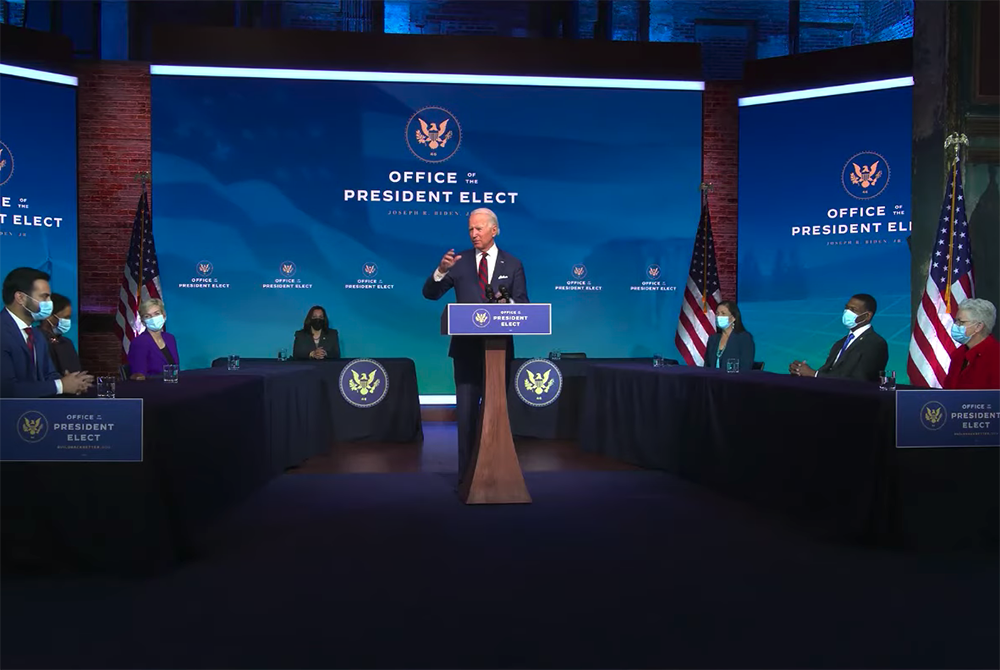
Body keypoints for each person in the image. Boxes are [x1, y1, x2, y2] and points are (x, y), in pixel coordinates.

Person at [423, 207, 528, 484]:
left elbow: (524, 305)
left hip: (499, 349)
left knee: (496, 412)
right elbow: (430, 294)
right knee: (467, 414)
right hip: (466, 351)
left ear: (494, 230)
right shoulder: (458, 262)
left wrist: (511, 305)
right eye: (470, 229)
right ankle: (468, 476)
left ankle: (497, 472)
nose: (473, 234)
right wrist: (440, 271)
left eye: (479, 228)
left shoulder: (513, 263)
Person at [0, 267, 92, 397]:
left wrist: (71, 382)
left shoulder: (36, 334)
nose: (50, 303)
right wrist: (60, 385)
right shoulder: (2, 332)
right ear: (20, 297)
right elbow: (6, 389)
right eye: (44, 297)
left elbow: (49, 374)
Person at [789, 293, 888, 382]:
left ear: (867, 316)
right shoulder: (840, 343)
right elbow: (828, 372)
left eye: (853, 310)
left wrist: (814, 374)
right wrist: (800, 370)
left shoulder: (875, 343)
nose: (847, 312)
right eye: (847, 308)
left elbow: (860, 380)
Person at [943, 298, 1000, 390]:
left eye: (961, 322)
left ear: (978, 326)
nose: (955, 325)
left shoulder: (996, 355)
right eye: (956, 321)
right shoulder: (958, 355)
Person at [127, 298, 180, 377]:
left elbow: (176, 369)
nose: (153, 318)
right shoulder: (140, 342)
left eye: (157, 314)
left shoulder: (170, 338)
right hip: (152, 387)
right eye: (148, 316)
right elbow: (139, 375)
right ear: (143, 321)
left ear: (164, 315)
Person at [704, 300, 755, 372]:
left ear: (733, 318)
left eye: (723, 313)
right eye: (717, 313)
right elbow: (707, 366)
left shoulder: (744, 338)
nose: (719, 316)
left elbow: (745, 367)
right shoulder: (713, 339)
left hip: (734, 381)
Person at [39, 292, 81, 375]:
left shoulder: (67, 343)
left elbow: (76, 372)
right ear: (48, 316)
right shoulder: (35, 341)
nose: (68, 321)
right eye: (65, 317)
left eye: (69, 317)